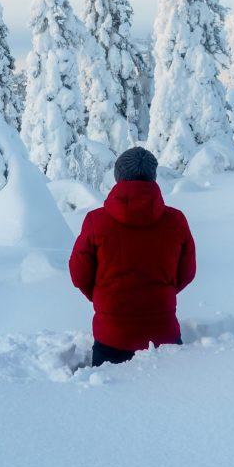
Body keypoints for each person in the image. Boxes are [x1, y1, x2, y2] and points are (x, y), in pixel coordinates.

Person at [69, 146, 196, 367]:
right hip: (164, 338)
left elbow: (79, 275)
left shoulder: (95, 222)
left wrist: (105, 297)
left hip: (112, 337)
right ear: (153, 177)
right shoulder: (176, 220)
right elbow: (187, 273)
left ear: (118, 177)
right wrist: (160, 293)